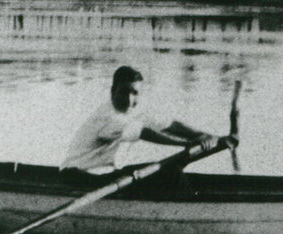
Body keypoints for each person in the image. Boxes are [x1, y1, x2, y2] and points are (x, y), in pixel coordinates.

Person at [61, 65, 227, 173]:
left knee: (169, 171)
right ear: (112, 91)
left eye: (134, 93)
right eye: (123, 92)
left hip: (104, 173)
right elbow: (144, 133)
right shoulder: (108, 117)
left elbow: (170, 124)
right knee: (168, 173)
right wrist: (186, 144)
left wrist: (205, 136)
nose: (128, 99)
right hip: (78, 175)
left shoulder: (134, 110)